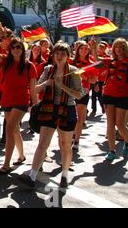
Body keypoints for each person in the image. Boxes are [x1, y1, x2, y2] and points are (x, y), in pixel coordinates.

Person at [19, 42, 84, 188]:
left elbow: (79, 95)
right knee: (42, 144)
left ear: (68, 56)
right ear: (53, 55)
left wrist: (63, 86)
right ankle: (32, 177)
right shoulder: (48, 69)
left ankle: (65, 175)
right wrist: (46, 83)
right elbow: (34, 90)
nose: (60, 56)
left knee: (65, 145)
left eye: (63, 54)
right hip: (48, 109)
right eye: (57, 53)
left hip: (67, 110)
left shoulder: (73, 72)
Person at [0, 37, 38, 174]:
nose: (16, 49)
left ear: (23, 49)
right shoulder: (5, 62)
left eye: (19, 47)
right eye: (13, 47)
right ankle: (21, 156)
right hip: (7, 100)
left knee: (9, 128)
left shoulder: (30, 66)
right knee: (15, 130)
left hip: (21, 100)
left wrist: (35, 107)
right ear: (10, 50)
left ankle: (6, 165)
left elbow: (33, 89)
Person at [90, 38, 128, 161]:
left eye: (122, 47)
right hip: (108, 94)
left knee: (120, 124)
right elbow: (97, 61)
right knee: (110, 124)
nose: (119, 50)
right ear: (114, 49)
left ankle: (127, 143)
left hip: (123, 96)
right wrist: (94, 48)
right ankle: (112, 151)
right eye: (117, 47)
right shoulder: (110, 61)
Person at [72, 41, 97, 152]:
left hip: (83, 91)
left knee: (80, 118)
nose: (84, 50)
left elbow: (94, 80)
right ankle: (71, 134)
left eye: (86, 49)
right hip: (70, 91)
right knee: (70, 117)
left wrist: (83, 76)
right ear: (78, 49)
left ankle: (76, 140)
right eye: (82, 48)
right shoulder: (71, 61)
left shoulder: (91, 63)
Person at [89, 41, 109, 117]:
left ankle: (101, 107)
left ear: (105, 49)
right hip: (94, 78)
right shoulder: (93, 56)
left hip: (101, 79)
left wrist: (105, 71)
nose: (101, 49)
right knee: (94, 95)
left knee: (99, 94)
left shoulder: (106, 57)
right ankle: (94, 109)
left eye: (103, 47)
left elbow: (108, 67)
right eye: (100, 47)